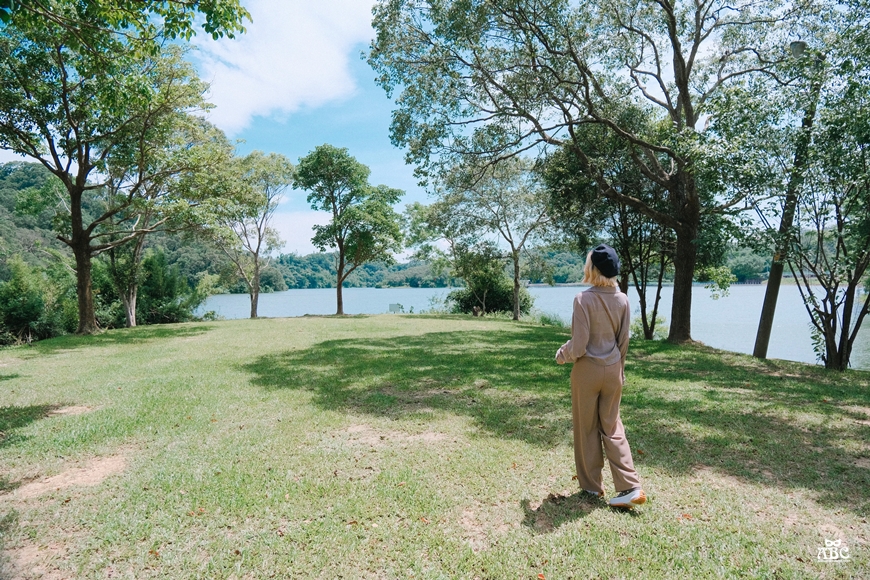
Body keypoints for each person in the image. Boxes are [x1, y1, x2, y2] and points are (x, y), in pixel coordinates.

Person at [555, 244, 646, 509]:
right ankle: (630, 486)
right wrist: (621, 370)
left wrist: (563, 353)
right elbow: (623, 341)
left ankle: (592, 487)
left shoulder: (582, 299)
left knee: (586, 429)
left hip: (587, 371)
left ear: (591, 269)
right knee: (612, 426)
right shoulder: (623, 299)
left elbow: (579, 345)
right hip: (613, 370)